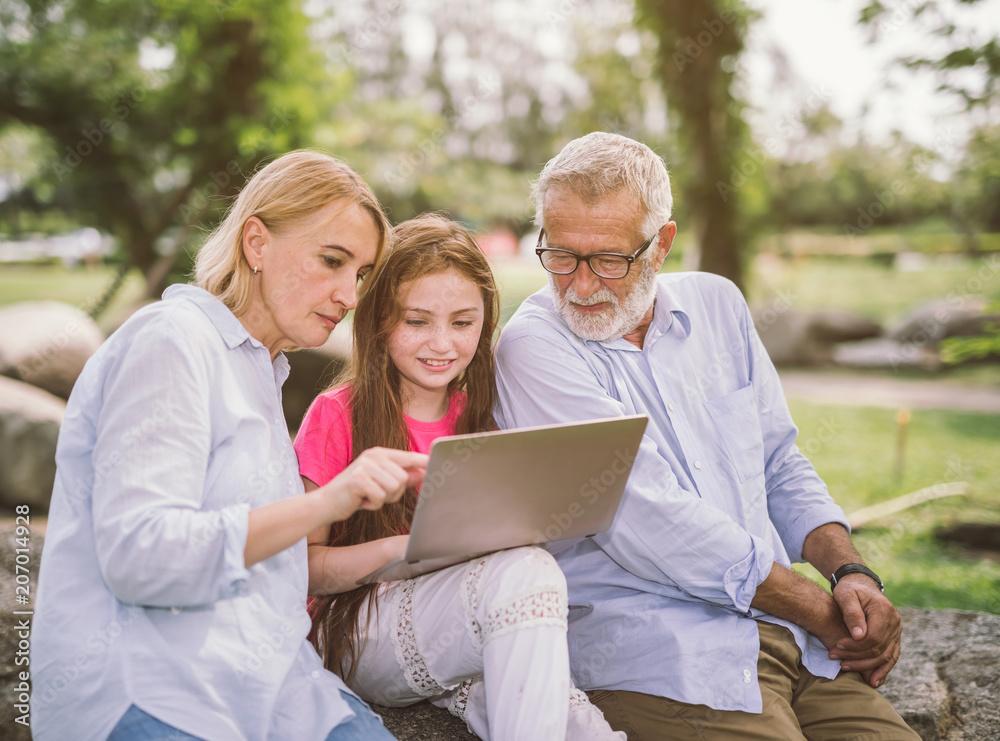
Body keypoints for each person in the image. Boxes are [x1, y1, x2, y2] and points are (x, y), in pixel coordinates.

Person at [493, 132, 921, 740]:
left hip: (793, 641)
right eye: (561, 255)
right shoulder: (534, 346)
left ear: (661, 244)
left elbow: (778, 461)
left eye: (611, 259)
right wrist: (818, 609)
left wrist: (851, 576)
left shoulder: (718, 304)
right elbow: (648, 520)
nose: (582, 286)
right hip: (659, 660)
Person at [29, 150, 426, 741]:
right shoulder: (171, 341)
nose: (349, 294)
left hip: (278, 692)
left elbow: (277, 576)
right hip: (151, 689)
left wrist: (417, 547)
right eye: (332, 260)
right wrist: (325, 503)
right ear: (256, 243)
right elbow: (141, 558)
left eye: (361, 274)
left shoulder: (264, 373)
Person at [293, 213, 625, 741]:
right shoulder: (337, 415)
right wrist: (404, 551)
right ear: (379, 319)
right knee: (528, 572)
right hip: (355, 626)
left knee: (580, 725)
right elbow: (306, 571)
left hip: (457, 619)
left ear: (485, 324)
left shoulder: (481, 419)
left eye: (463, 322)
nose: (441, 343)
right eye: (417, 321)